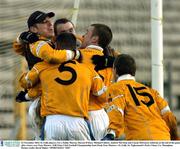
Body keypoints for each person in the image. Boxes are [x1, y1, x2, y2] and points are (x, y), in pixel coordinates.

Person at [19, 32, 106, 140]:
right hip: (78, 122)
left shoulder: (42, 66)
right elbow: (101, 94)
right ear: (75, 48)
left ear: (56, 46)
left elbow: (26, 82)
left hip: (53, 121)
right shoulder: (88, 70)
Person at [103, 54, 179, 140]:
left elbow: (116, 111)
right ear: (134, 71)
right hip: (163, 138)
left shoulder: (116, 88)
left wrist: (111, 133)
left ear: (115, 70)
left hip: (140, 139)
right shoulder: (151, 91)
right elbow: (169, 117)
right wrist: (175, 139)